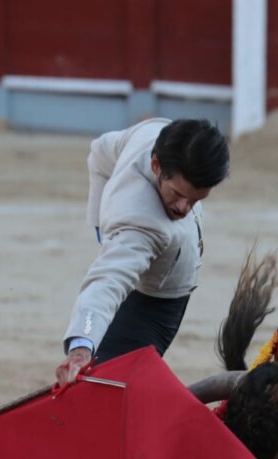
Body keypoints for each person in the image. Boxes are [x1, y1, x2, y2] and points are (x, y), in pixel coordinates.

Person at [55, 118, 230, 387]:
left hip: (153, 280)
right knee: (100, 390)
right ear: (156, 164)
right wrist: (81, 345)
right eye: (177, 193)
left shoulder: (151, 134)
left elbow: (99, 152)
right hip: (152, 308)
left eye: (196, 199)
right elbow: (106, 282)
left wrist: (100, 225)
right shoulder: (139, 223)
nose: (184, 208)